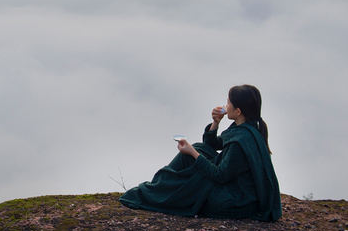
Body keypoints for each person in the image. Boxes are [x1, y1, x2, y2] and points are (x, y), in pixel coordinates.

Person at [119, 84, 281, 221]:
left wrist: (193, 154)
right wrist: (215, 123)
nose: (226, 105)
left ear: (238, 111)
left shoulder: (241, 141)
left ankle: (159, 190)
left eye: (229, 103)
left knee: (193, 162)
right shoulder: (245, 128)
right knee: (198, 148)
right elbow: (211, 144)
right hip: (239, 192)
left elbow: (220, 175)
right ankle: (161, 187)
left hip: (235, 203)